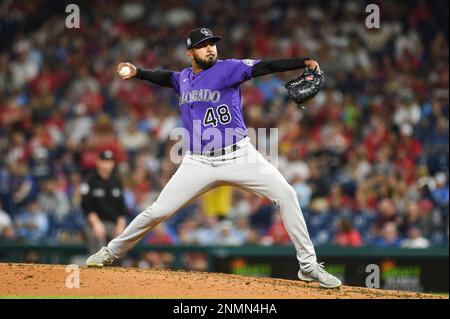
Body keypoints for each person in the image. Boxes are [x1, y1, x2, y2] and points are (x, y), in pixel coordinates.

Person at [86, 27, 341, 288]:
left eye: (212, 44)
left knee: (287, 195)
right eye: (203, 45)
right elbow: (165, 77)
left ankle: (309, 266)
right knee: (157, 211)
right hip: (198, 162)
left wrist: (303, 61)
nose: (210, 48)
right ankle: (110, 252)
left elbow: (266, 66)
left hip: (239, 155)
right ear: (190, 52)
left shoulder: (228, 68)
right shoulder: (183, 78)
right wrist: (138, 72)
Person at [81, 150, 127, 255]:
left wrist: (120, 226)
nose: (107, 165)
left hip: (114, 223)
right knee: (98, 243)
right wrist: (96, 224)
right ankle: (95, 270)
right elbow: (87, 207)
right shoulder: (89, 181)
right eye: (104, 161)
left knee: (121, 244)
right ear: (98, 162)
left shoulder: (116, 181)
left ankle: (117, 270)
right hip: (95, 222)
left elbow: (122, 208)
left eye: (110, 162)